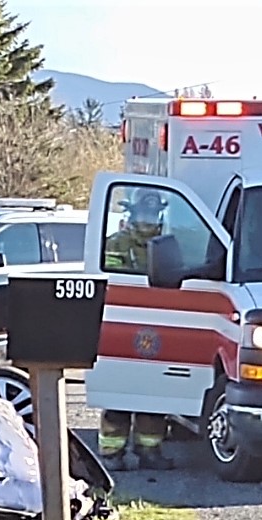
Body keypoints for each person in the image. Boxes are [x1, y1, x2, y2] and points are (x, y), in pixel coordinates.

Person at [97, 190, 175, 472]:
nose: (148, 221)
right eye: (143, 215)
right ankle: (111, 454)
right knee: (119, 394)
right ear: (131, 214)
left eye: (153, 215)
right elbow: (111, 281)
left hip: (158, 323)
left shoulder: (168, 245)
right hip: (124, 321)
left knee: (154, 396)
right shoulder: (116, 245)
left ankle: (150, 450)